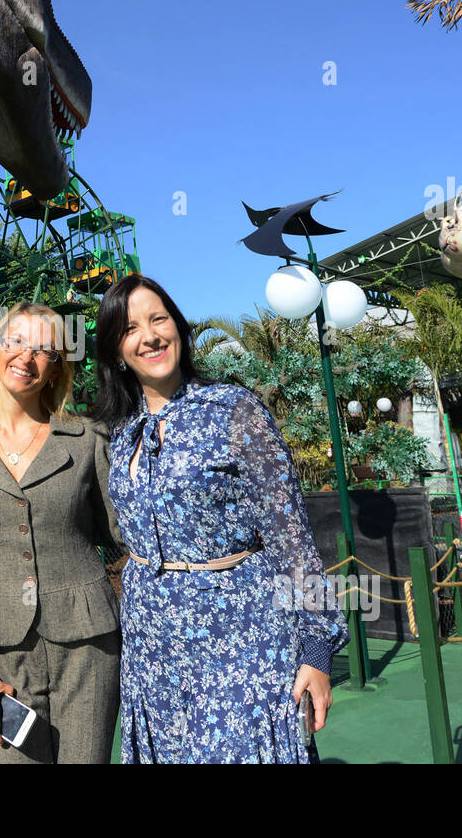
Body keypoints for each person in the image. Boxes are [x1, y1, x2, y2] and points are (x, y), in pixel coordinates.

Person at [93, 274, 349, 763]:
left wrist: (316, 651)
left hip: (243, 636)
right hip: (153, 647)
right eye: (129, 328)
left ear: (179, 329)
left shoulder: (235, 410)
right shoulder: (121, 431)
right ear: (115, 350)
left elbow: (291, 537)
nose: (148, 335)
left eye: (158, 319)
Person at [0, 303, 122, 764]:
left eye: (44, 349)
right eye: (14, 342)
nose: (26, 357)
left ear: (56, 368)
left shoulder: (88, 439)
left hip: (88, 648)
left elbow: (125, 538)